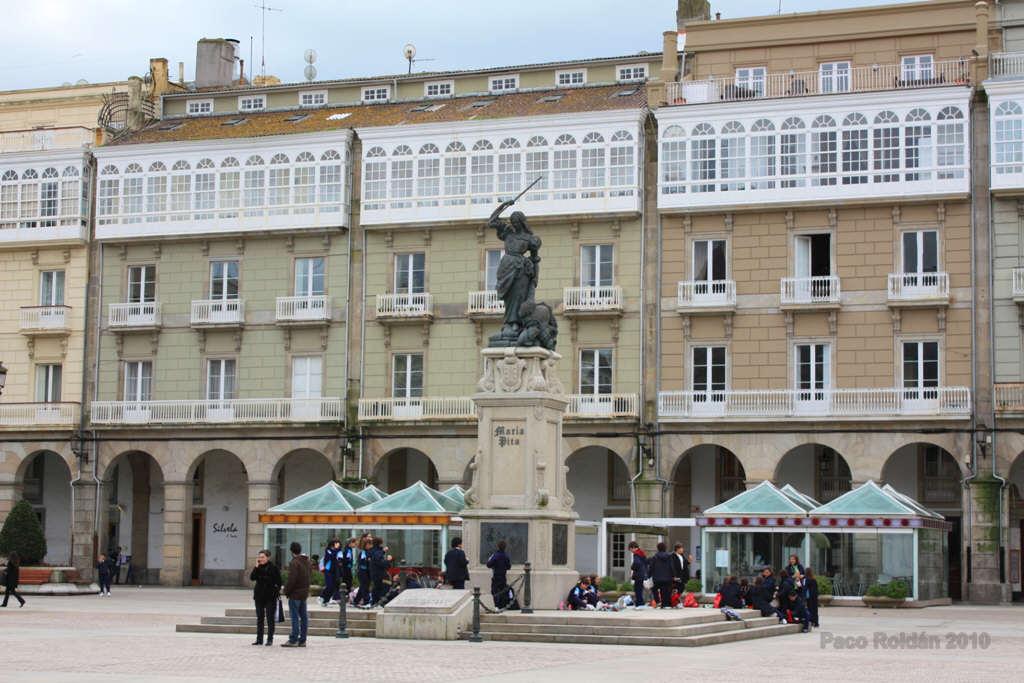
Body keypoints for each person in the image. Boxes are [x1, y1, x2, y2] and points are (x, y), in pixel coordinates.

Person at [281, 542, 311, 647]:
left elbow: (292, 579)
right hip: (304, 593)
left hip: (295, 594)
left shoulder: (294, 563)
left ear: (291, 551)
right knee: (304, 617)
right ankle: (302, 640)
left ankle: (293, 639)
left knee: (295, 618)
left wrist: (286, 591)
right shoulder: (307, 561)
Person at [250, 549, 282, 646]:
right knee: (260, 618)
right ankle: (259, 639)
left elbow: (279, 582)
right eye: (259, 557)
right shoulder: (258, 567)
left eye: (263, 557)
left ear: (268, 557)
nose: (261, 559)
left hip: (270, 597)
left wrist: (274, 591)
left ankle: (269, 639)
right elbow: (252, 577)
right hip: (259, 596)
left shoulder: (273, 568)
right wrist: (256, 567)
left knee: (270, 618)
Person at [486, 540, 511, 608]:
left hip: (496, 576)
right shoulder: (506, 556)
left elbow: (488, 565)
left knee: (494, 591)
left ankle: (496, 605)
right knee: (502, 591)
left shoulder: (495, 555)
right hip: (503, 576)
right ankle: (502, 605)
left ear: (498, 547)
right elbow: (509, 567)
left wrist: (490, 559)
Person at [649, 542, 675, 609]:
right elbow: (672, 567)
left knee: (654, 589)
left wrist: (648, 575)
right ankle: (665, 604)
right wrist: (673, 575)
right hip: (667, 577)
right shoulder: (669, 556)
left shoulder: (655, 557)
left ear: (658, 548)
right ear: (665, 548)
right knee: (665, 591)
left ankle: (657, 601)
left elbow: (651, 567)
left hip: (656, 578)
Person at [368, 537, 392, 606]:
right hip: (379, 574)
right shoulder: (377, 553)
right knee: (383, 588)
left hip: (374, 573)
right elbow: (381, 563)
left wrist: (383, 551)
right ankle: (380, 603)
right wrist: (388, 560)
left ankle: (374, 603)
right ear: (380, 544)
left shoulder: (373, 551)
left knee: (376, 588)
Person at [319, 538, 341, 607]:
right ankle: (322, 597)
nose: (338, 545)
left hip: (334, 571)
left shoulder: (338, 551)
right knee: (329, 585)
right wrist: (336, 549)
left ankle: (326, 601)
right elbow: (332, 556)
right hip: (328, 571)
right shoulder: (328, 550)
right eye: (336, 543)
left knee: (333, 587)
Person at [628, 541, 648, 609]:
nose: (631, 551)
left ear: (633, 547)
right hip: (642, 574)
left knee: (637, 590)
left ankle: (639, 604)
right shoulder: (642, 553)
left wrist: (632, 567)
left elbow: (637, 563)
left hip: (638, 574)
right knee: (640, 589)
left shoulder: (636, 554)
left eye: (631, 550)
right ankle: (640, 603)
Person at [354, 537, 373, 606]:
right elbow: (363, 562)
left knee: (363, 587)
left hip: (366, 572)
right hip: (363, 572)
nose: (370, 546)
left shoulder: (369, 552)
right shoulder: (364, 553)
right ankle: (366, 601)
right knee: (364, 587)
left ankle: (356, 600)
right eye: (369, 544)